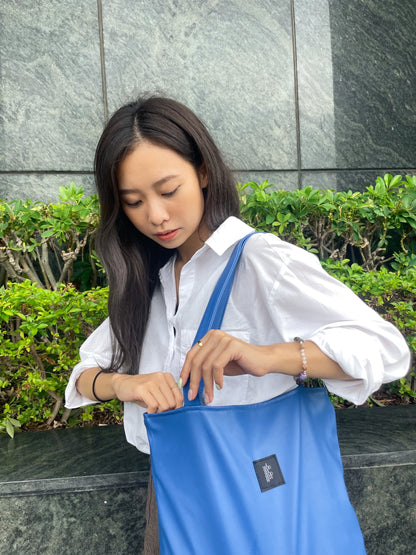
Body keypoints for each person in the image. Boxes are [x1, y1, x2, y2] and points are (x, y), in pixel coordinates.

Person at [65, 95, 410, 553]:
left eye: (168, 191)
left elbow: (387, 349)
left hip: (263, 492)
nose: (156, 216)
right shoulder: (153, 281)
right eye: (134, 201)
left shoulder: (261, 261)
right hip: (173, 496)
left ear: (203, 172)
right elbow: (83, 375)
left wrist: (269, 357)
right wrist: (123, 385)